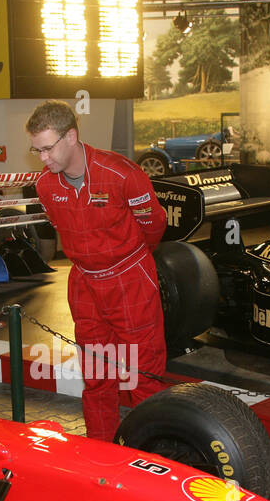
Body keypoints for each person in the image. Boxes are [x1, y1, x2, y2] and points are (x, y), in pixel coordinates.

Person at [26, 100, 167, 441]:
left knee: (142, 374)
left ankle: (154, 454)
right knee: (96, 375)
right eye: (36, 150)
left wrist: (126, 261)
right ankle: (101, 450)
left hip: (130, 278)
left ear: (71, 136)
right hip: (84, 284)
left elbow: (154, 226)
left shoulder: (123, 174)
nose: (43, 159)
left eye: (48, 148)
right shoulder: (46, 186)